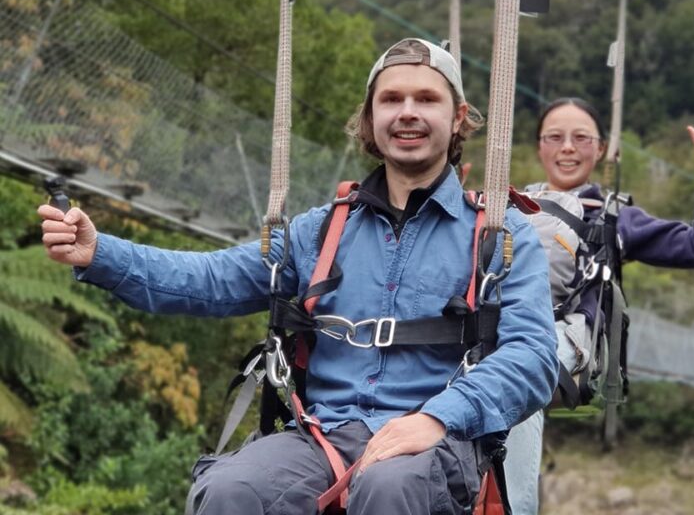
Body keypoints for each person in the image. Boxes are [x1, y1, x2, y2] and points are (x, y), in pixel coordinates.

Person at [39, 37, 559, 515]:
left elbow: (532, 357)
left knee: (388, 486)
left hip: (436, 439)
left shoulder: (498, 234)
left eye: (426, 99)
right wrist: (99, 252)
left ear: (458, 117)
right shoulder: (320, 232)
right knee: (230, 490)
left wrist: (439, 417)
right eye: (391, 99)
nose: (407, 113)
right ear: (370, 118)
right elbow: (211, 280)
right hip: (323, 436)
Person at [504, 97, 694, 515]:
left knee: (516, 371)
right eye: (555, 138)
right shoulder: (507, 206)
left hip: (567, 346)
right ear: (540, 147)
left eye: (581, 138)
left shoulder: (614, 217)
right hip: (499, 335)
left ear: (600, 150)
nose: (567, 148)